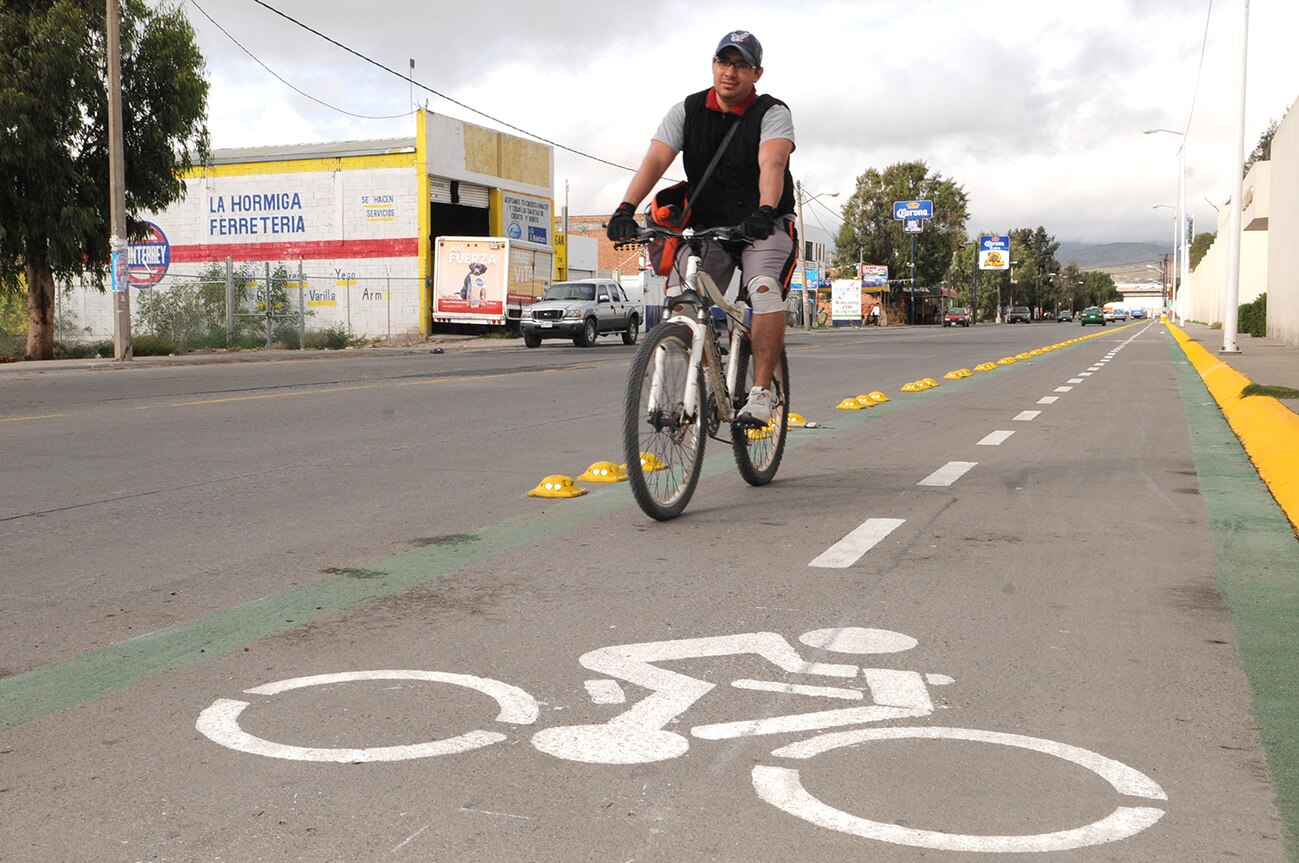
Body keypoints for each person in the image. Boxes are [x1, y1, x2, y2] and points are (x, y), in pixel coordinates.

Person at [607, 30, 797, 425]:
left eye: (741, 65)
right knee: (681, 299)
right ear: (713, 64)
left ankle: (761, 392)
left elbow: (772, 163)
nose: (730, 72)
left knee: (763, 291)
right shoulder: (687, 111)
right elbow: (655, 161)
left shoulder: (772, 112)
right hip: (708, 226)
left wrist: (764, 210)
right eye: (724, 62)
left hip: (762, 224)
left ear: (756, 73)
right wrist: (625, 207)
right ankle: (704, 377)